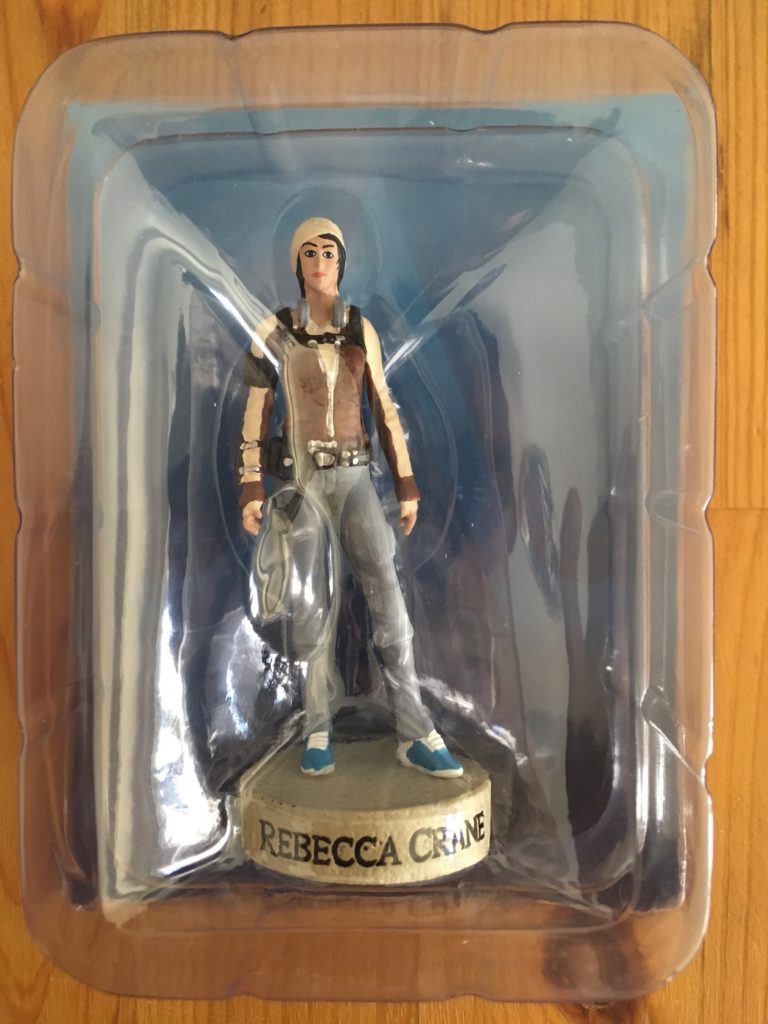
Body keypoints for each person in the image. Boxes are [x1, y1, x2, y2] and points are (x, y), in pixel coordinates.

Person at [239, 217, 462, 779]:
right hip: (302, 483)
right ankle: (317, 726)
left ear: (341, 262)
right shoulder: (275, 329)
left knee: (387, 589)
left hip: (357, 476)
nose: (320, 262)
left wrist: (406, 482)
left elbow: (383, 405)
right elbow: (256, 411)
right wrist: (251, 485)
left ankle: (415, 727)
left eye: (329, 253)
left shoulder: (360, 327)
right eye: (310, 253)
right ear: (297, 263)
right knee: (313, 604)